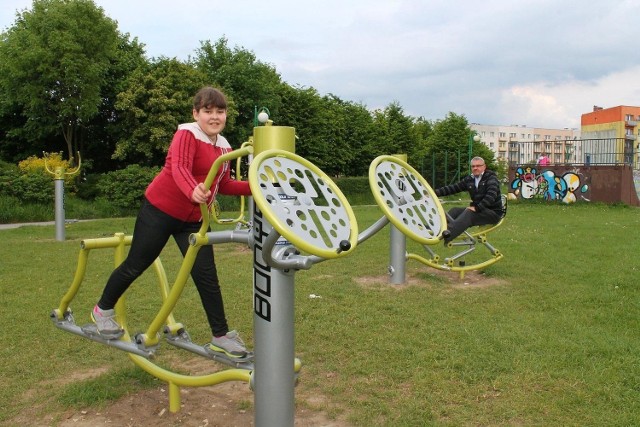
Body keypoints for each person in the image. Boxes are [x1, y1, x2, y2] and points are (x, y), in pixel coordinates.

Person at [91, 87, 252, 358]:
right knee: (136, 264)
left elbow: (224, 184)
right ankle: (102, 311)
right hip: (160, 210)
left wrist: (258, 187)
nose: (214, 117)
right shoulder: (186, 134)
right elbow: (179, 167)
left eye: (220, 112)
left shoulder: (224, 146)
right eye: (208, 111)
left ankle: (220, 335)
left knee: (206, 276)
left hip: (194, 220)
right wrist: (193, 190)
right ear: (196, 113)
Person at [434, 156, 502, 244]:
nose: (475, 168)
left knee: (469, 213)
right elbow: (454, 188)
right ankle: (436, 228)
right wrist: (434, 192)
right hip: (480, 211)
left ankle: (447, 235)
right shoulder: (470, 179)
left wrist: (477, 208)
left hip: (493, 213)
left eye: (478, 166)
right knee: (455, 211)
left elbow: (490, 197)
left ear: (484, 167)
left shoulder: (491, 178)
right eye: (473, 166)